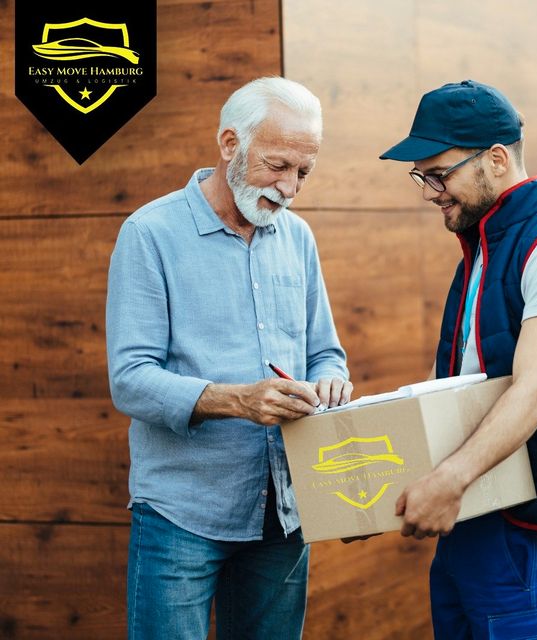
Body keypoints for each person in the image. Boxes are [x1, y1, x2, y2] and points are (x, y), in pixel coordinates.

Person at [106, 76, 352, 640]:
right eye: (277, 166)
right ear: (228, 144)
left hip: (284, 511)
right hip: (181, 516)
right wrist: (238, 399)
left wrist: (332, 383)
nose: (290, 187)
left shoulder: (299, 238)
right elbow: (130, 380)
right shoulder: (149, 233)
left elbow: (325, 353)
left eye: (304, 172)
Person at [380, 80, 537, 639]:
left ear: (497, 158)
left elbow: (536, 387)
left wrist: (450, 480)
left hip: (525, 528)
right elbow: (466, 393)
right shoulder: (481, 251)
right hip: (470, 515)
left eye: (440, 174)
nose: (429, 191)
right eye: (422, 177)